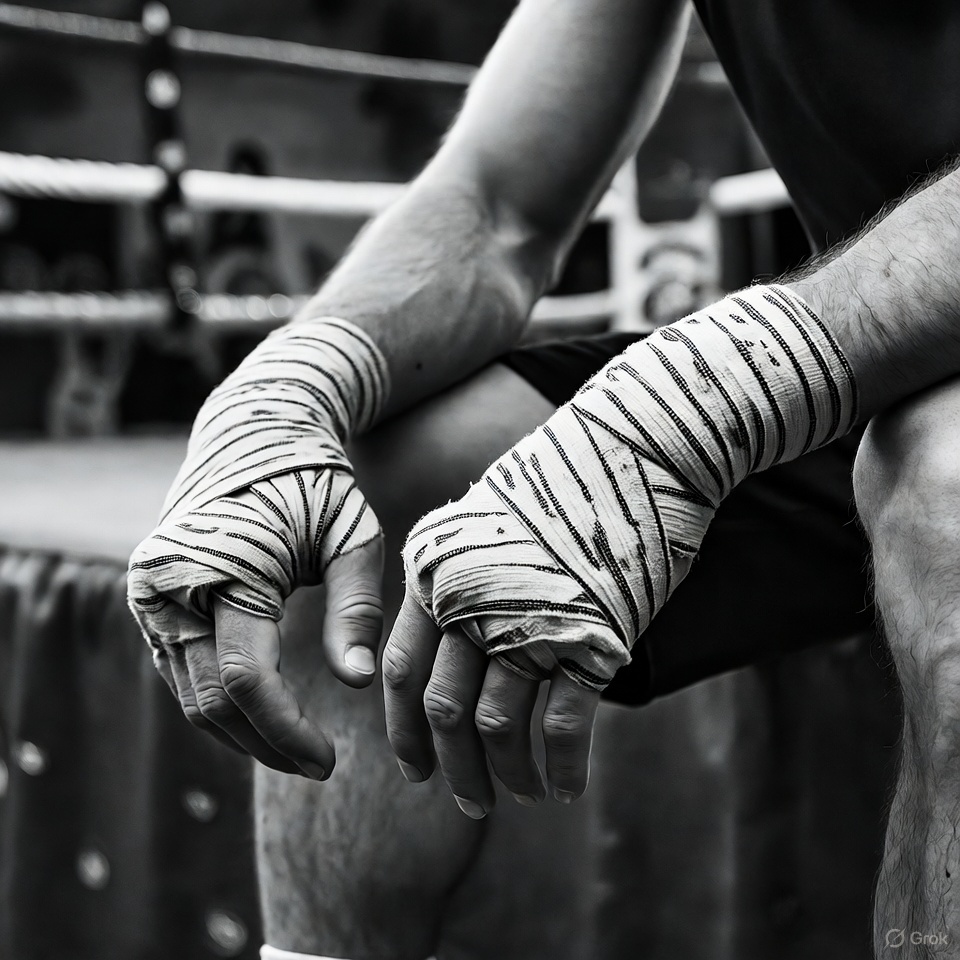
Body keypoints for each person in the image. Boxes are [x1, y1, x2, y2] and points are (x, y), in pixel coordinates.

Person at [128, 0, 960, 956]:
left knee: (947, 482)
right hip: (855, 371)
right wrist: (289, 385)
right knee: (387, 487)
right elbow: (496, 202)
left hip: (894, 395)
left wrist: (695, 406)